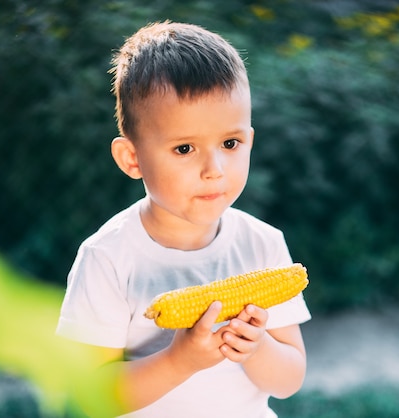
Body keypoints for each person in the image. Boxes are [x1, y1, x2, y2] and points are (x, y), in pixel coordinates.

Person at [56, 21, 311, 418]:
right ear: (132, 159)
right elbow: (86, 399)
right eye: (184, 148)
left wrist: (256, 348)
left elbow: (290, 379)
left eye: (230, 143)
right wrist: (179, 361)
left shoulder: (263, 244)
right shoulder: (108, 257)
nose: (214, 169)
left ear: (250, 141)